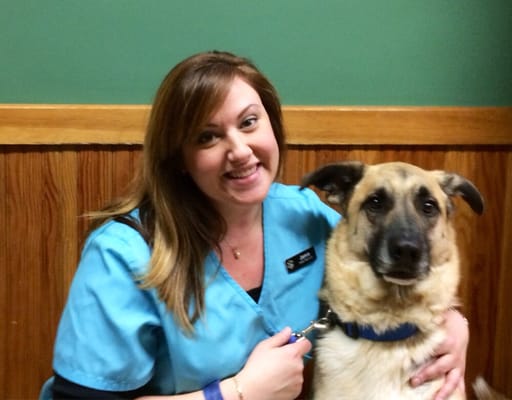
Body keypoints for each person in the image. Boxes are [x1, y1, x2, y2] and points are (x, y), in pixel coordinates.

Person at [41, 50, 469, 400]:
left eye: (249, 122)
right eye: (208, 137)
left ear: (272, 125)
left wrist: (454, 326)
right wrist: (233, 393)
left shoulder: (307, 217)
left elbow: (398, 257)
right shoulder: (124, 253)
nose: (240, 151)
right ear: (179, 159)